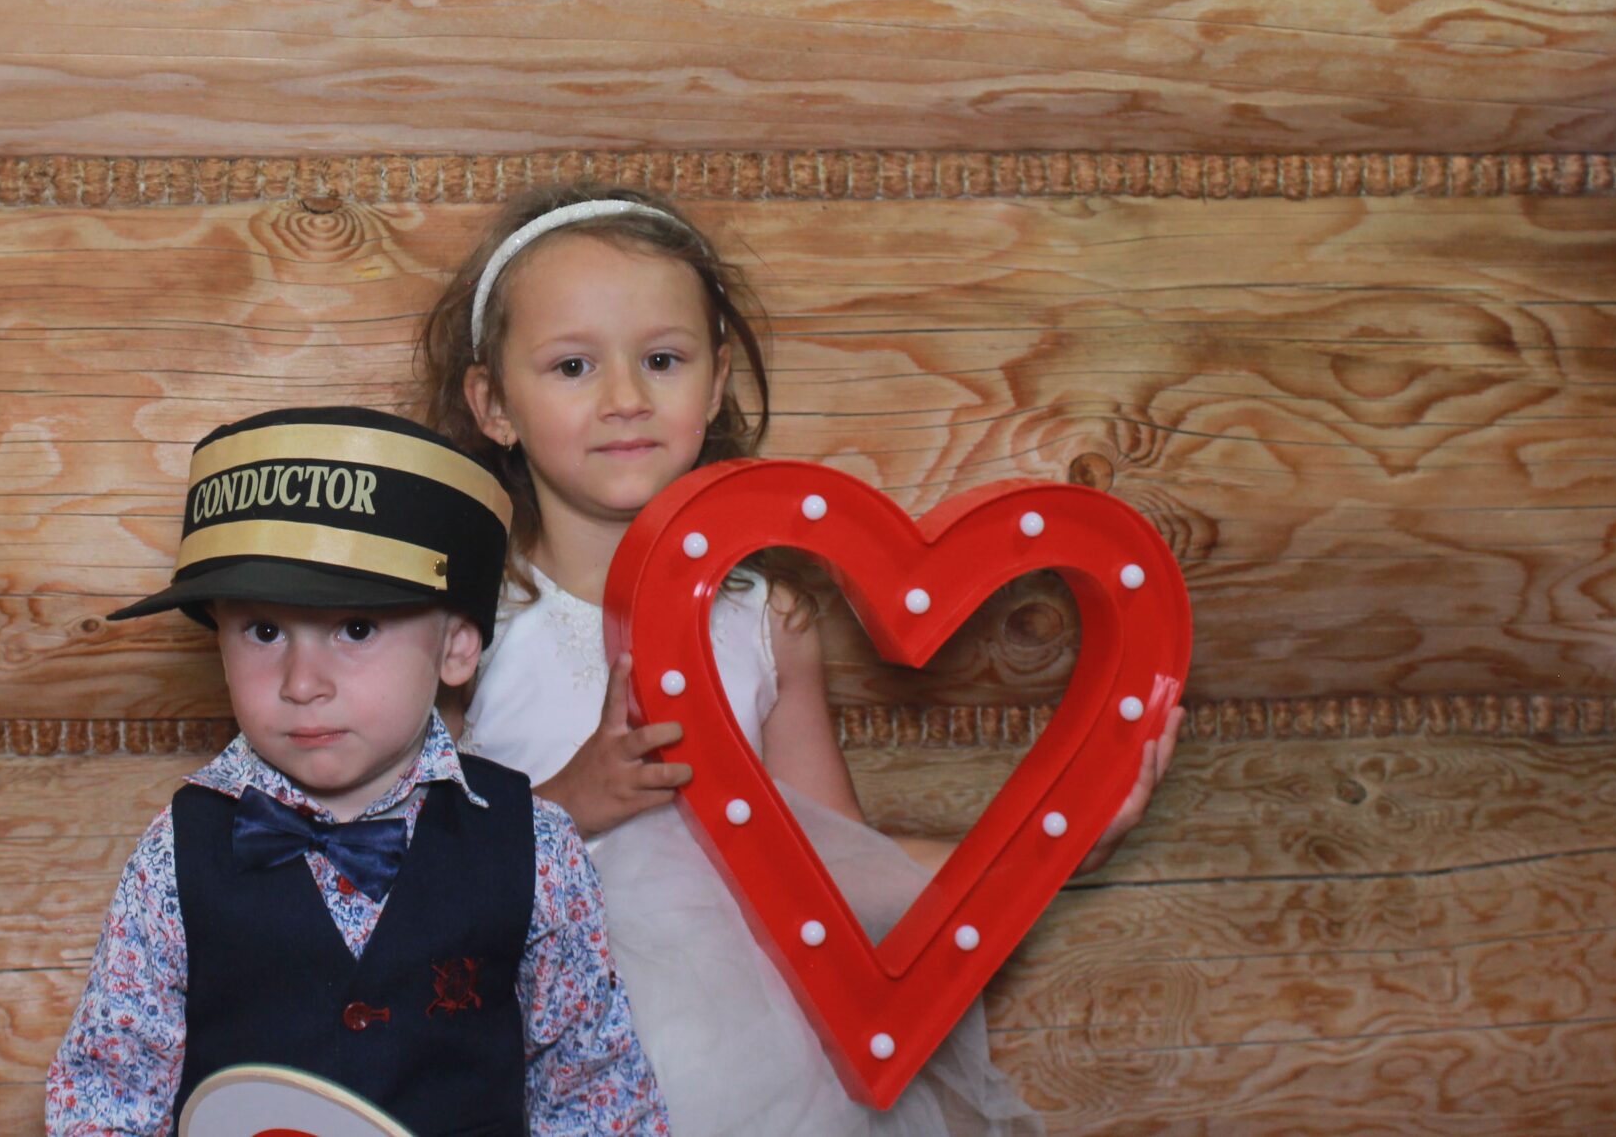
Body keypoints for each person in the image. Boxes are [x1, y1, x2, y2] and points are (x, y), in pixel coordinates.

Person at [418, 187, 1182, 1136]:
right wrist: (569, 801)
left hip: (748, 1080)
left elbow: (836, 870)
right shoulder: (464, 625)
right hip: (528, 1064)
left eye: (663, 359)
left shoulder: (766, 620)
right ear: (493, 404)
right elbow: (397, 870)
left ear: (715, 381)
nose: (625, 398)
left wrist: (1057, 848)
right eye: (573, 365)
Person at [45, 404, 673, 1137]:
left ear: (457, 647)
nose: (302, 682)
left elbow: (595, 1093)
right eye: (264, 630)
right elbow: (108, 1094)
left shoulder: (539, 848)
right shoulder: (173, 855)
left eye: (357, 627)